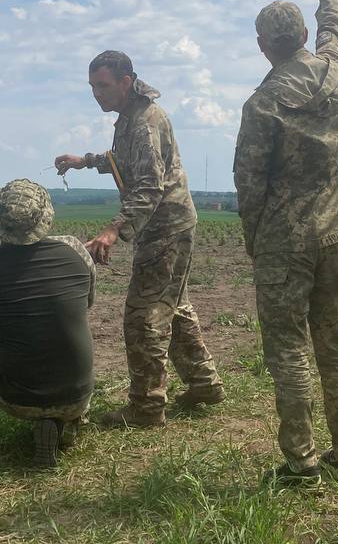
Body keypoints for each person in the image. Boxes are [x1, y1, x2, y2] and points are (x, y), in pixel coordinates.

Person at [233, 0, 338, 484]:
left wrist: (256, 240)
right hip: (337, 232)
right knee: (335, 344)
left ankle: (302, 461)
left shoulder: (263, 103)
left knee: (288, 349)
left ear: (264, 45)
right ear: (303, 36)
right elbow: (335, 28)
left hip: (285, 241)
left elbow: (249, 182)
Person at [54, 51, 224, 427]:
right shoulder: (131, 116)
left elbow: (149, 185)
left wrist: (114, 229)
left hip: (165, 226)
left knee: (142, 316)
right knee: (173, 305)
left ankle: (146, 407)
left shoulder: (145, 121)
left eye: (103, 86)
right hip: (169, 224)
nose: (96, 94)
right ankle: (205, 383)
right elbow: (122, 160)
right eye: (92, 87)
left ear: (126, 82)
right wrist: (86, 161)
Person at [0, 180, 96, 467]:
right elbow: (86, 304)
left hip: (16, 398)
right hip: (78, 392)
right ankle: (67, 421)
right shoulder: (77, 250)